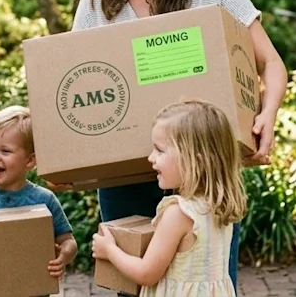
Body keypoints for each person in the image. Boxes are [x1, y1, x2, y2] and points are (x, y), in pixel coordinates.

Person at [70, 0, 289, 292]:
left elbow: (271, 65)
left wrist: (267, 117)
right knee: (132, 287)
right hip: (125, 175)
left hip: (204, 176)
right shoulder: (98, 2)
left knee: (205, 284)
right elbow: (80, 88)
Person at [92, 100, 246, 296]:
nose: (150, 158)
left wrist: (110, 250)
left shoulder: (178, 214)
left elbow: (147, 273)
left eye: (160, 150)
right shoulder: (218, 205)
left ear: (195, 162)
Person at [0, 105, 79, 297]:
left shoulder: (44, 199)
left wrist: (62, 257)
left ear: (29, 161)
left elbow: (68, 242)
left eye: (5, 151)